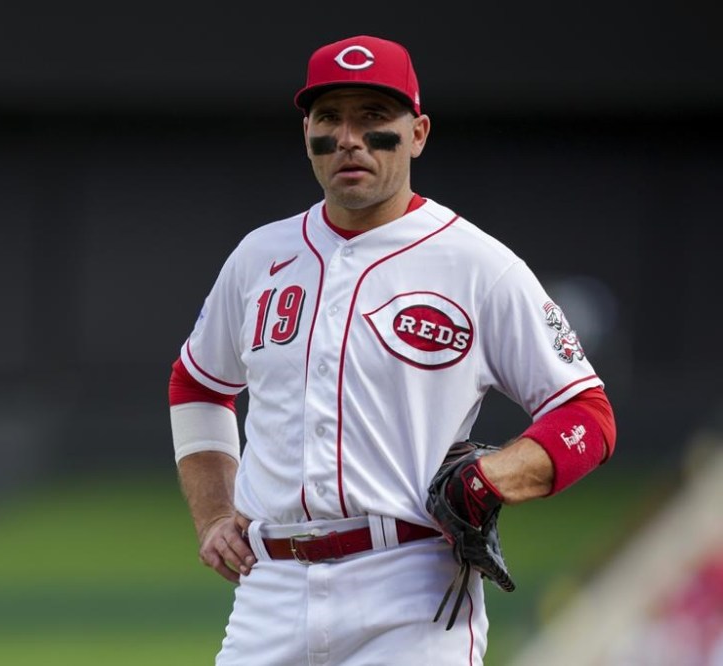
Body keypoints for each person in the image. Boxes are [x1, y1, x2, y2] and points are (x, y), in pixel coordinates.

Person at [167, 34, 616, 665]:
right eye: (330, 118)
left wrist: (497, 476)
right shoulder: (258, 257)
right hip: (271, 588)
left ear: (418, 133)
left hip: (412, 588)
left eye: (373, 117)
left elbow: (588, 417)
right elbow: (197, 383)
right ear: (307, 133)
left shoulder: (477, 265)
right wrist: (214, 513)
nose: (349, 138)